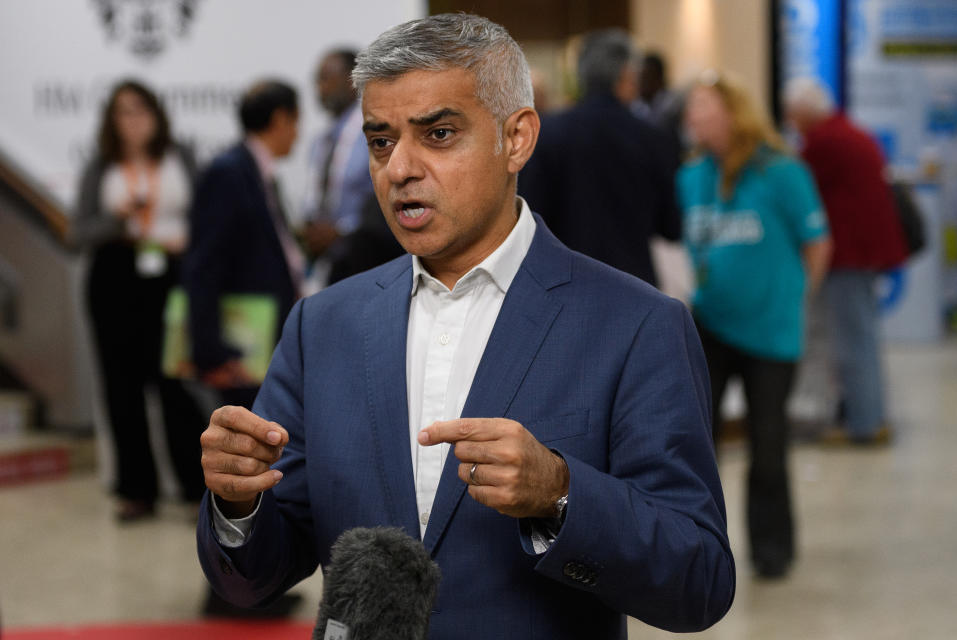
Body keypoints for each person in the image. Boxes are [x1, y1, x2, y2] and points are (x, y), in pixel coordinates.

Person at [196, 14, 734, 638]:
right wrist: (239, 501)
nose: (399, 168)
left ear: (517, 138)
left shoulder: (637, 325)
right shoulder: (324, 326)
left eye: (439, 133)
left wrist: (562, 494)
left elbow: (699, 583)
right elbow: (251, 578)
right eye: (380, 141)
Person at [676, 70, 833, 579]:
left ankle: (772, 551)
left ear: (731, 111)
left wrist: (793, 297)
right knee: (698, 445)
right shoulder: (691, 176)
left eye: (702, 106)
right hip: (710, 327)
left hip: (771, 332)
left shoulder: (781, 172)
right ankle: (698, 549)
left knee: (767, 447)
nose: (692, 116)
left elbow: (818, 243)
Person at [72, 79, 206, 521]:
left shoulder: (180, 157)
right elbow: (78, 233)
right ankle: (136, 490)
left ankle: (193, 489)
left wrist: (188, 242)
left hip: (170, 277)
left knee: (175, 383)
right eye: (123, 112)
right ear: (112, 121)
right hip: (115, 277)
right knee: (120, 387)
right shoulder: (101, 166)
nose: (133, 120)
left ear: (157, 114)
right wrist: (117, 219)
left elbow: (207, 217)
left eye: (141, 110)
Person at [784, 77, 907, 445]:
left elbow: (794, 185)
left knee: (852, 341)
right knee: (864, 337)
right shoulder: (849, 132)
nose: (791, 121)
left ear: (803, 112)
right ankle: (870, 415)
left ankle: (863, 425)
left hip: (849, 255)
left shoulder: (824, 142)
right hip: (865, 253)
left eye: (792, 114)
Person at [519, 29, 681, 288]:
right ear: (627, 75)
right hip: (635, 287)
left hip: (563, 286)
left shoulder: (547, 135)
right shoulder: (651, 137)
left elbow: (529, 218)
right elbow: (671, 226)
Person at [183, 80, 304, 411]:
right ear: (281, 119)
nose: (298, 133)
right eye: (296, 122)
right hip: (240, 342)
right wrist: (211, 352)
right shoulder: (228, 172)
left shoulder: (256, 171)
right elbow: (204, 265)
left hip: (266, 334)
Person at [300, 49, 403, 291]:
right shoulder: (321, 141)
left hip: (370, 259)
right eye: (316, 80)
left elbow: (390, 196)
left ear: (351, 80)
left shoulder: (377, 135)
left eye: (326, 78)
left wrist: (342, 231)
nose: (319, 88)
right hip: (325, 266)